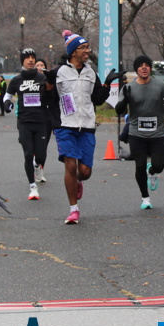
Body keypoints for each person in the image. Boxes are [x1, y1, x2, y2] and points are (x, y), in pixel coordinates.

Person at [44, 30, 120, 224]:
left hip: (86, 126)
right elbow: (47, 98)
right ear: (73, 51)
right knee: (70, 164)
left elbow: (97, 99)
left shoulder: (90, 73)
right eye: (83, 48)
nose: (87, 51)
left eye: (87, 47)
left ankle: (78, 181)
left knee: (85, 171)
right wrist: (49, 83)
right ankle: (73, 209)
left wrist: (107, 84)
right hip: (65, 126)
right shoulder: (58, 72)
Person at [115, 55, 164, 210]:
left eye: (147, 65)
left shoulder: (160, 85)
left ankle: (151, 171)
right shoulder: (129, 88)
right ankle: (145, 197)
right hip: (136, 134)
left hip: (157, 133)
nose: (144, 67)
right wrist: (125, 100)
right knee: (139, 166)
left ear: (150, 68)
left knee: (159, 166)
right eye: (140, 65)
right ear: (136, 69)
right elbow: (118, 110)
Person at [7, 48, 48, 201]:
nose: (31, 60)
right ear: (22, 60)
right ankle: (33, 187)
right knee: (28, 154)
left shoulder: (42, 78)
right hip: (24, 122)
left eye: (33, 57)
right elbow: (7, 95)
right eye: (27, 57)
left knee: (41, 156)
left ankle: (37, 165)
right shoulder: (16, 80)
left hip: (41, 121)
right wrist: (7, 103)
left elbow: (52, 94)